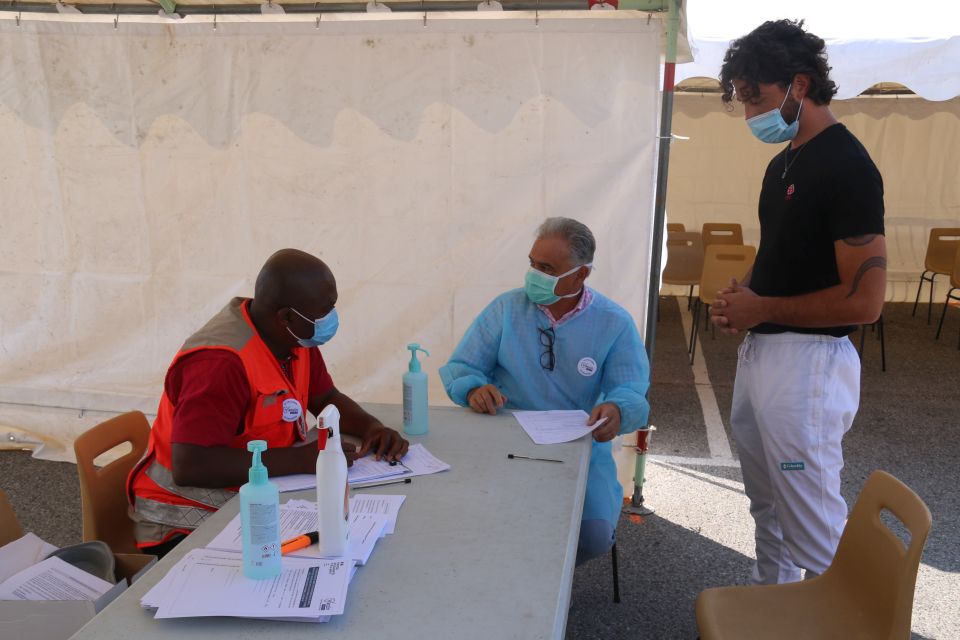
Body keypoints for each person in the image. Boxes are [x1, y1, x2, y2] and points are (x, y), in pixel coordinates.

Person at [710, 20, 886, 584]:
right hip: (765, 357)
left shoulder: (847, 166)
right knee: (770, 512)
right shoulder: (782, 162)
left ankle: (852, 617)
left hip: (809, 365)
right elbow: (786, 259)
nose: (748, 115)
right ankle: (776, 613)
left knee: (816, 530)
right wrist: (747, 295)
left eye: (755, 98)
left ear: (799, 85)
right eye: (741, 101)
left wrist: (762, 309)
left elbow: (866, 302)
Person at [127, 249, 409, 556]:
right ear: (286, 316)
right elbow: (191, 466)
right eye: (324, 311)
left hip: (254, 491)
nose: (331, 318)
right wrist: (301, 459)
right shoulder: (220, 365)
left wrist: (372, 427)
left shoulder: (294, 338)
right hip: (183, 519)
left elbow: (325, 397)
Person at [439, 217, 650, 565]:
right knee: (474, 517)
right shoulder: (506, 309)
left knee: (593, 534)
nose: (534, 275)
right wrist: (474, 389)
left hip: (580, 447)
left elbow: (631, 391)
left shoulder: (614, 322)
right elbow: (463, 367)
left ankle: (550, 585)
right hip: (506, 438)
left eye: (547, 268)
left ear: (581, 275)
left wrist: (617, 410)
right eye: (532, 264)